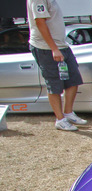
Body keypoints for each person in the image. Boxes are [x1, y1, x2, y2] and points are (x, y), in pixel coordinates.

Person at [26, 0, 87, 132]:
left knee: (73, 78)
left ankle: (68, 113)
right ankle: (60, 120)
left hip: (62, 45)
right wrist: (54, 48)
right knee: (54, 83)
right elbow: (40, 22)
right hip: (45, 48)